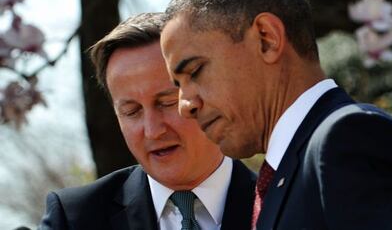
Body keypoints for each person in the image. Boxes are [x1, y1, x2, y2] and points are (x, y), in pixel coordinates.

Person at [160, 0, 392, 230]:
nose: (184, 106)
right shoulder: (282, 176)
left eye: (195, 71)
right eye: (177, 85)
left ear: (266, 39)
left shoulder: (347, 140)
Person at [38, 12, 256, 230]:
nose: (153, 131)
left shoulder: (280, 204)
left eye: (167, 103)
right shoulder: (75, 219)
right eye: (132, 111)